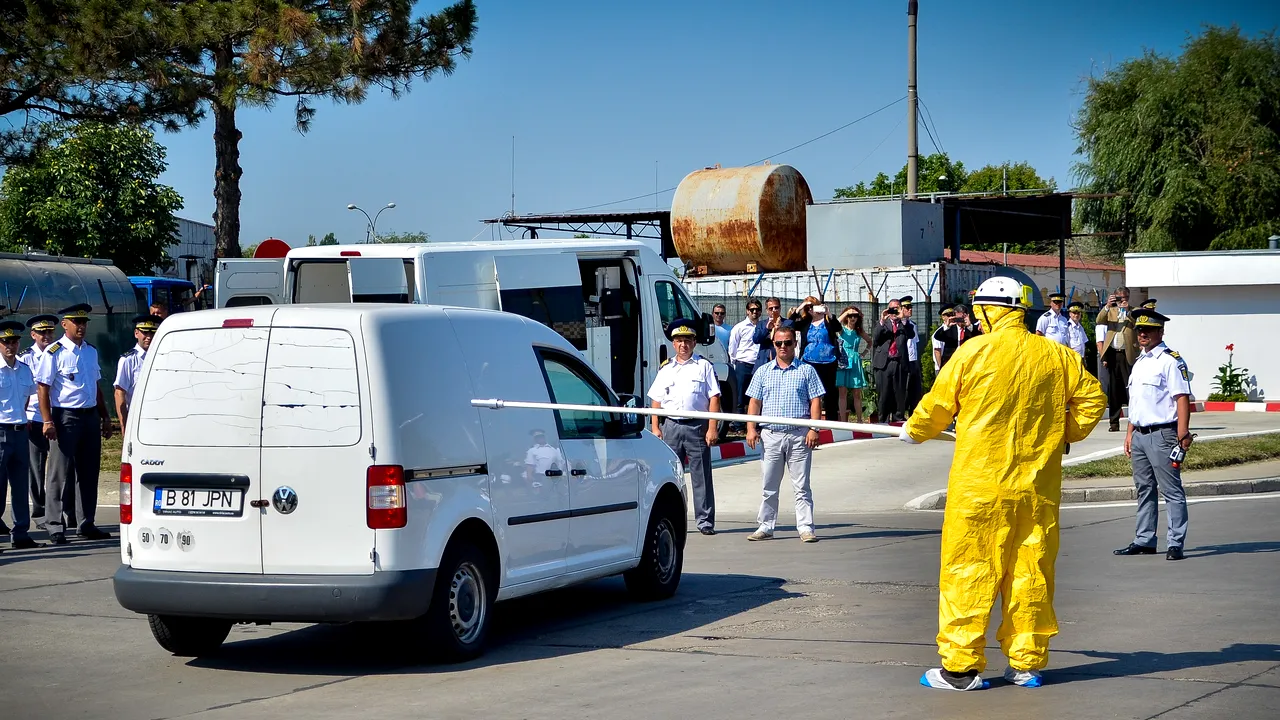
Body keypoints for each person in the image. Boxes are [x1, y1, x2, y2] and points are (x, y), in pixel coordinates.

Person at [900, 276, 1106, 691]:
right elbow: (1093, 401)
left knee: (969, 570)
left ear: (988, 311)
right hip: (1037, 489)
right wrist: (1060, 431)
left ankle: (960, 669)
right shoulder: (1057, 356)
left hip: (980, 487)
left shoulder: (973, 352)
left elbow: (937, 407)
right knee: (1031, 572)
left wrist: (913, 431)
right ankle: (1026, 664)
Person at [1113, 308, 1193, 562]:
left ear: (1160, 331)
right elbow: (1136, 401)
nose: (1143, 334)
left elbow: (1181, 398)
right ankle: (1144, 539)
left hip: (1163, 434)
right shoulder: (1140, 362)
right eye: (1140, 330)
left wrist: (1182, 433)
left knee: (1171, 490)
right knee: (1144, 488)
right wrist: (1129, 433)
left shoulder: (1170, 360)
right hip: (1139, 434)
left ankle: (1175, 543)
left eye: (1148, 330)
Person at [32, 304, 113, 545]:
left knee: (88, 472)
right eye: (76, 323)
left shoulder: (90, 351)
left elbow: (96, 386)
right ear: (64, 325)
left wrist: (105, 416)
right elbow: (43, 388)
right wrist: (47, 420)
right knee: (59, 473)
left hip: (89, 416)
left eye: (84, 322)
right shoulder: (54, 352)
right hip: (65, 416)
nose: (81, 327)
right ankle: (55, 524)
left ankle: (86, 522)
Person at [744, 324, 826, 543]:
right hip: (770, 436)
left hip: (799, 435)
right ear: (773, 344)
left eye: (787, 343)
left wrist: (813, 428)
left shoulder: (806, 370)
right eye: (779, 343)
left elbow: (815, 400)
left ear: (794, 344)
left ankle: (806, 527)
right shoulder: (763, 371)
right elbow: (754, 401)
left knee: (801, 487)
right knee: (769, 485)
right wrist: (751, 428)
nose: (783, 347)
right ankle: (766, 526)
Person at [647, 319, 721, 536]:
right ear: (673, 344)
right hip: (671, 426)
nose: (683, 345)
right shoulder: (666, 369)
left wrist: (712, 427)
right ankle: (671, 520)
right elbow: (656, 400)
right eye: (679, 341)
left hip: (697, 426)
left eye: (687, 340)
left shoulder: (704, 366)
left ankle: (705, 521)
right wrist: (655, 427)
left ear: (694, 343)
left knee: (701, 478)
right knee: (669, 477)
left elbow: (714, 398)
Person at [0, 321, 41, 549]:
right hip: (0, 430)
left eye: (14, 341)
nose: (11, 346)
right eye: (6, 342)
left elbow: (26, 398)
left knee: (20, 484)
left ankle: (21, 532)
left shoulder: (24, 369)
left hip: (19, 430)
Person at [18, 314, 58, 531]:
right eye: (42, 332)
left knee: (60, 468)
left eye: (49, 332)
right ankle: (39, 510)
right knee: (36, 468)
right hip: (34, 418)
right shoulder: (25, 357)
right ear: (33, 335)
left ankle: (58, 510)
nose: (46, 336)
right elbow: (25, 390)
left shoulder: (58, 353)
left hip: (56, 417)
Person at [790, 297, 844, 422]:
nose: (811, 310)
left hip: (828, 362)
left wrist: (828, 313)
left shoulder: (828, 322)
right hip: (809, 362)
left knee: (830, 393)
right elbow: (790, 324)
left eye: (813, 306)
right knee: (810, 393)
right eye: (809, 308)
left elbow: (837, 327)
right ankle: (810, 420)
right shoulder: (805, 323)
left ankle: (832, 422)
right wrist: (800, 307)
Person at [1096, 286, 1139, 432]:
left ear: (1128, 297)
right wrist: (1108, 306)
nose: (1122, 301)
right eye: (1119, 298)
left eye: (1124, 298)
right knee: (1114, 390)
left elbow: (1137, 324)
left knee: (1130, 388)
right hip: (1114, 353)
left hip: (1128, 353)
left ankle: (1134, 421)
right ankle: (1114, 423)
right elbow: (1099, 320)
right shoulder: (1111, 311)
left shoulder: (1134, 311)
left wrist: (1127, 311)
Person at [114, 314, 160, 435]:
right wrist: (124, 424)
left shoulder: (162, 357)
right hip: (137, 417)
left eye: (153, 333)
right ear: (136, 333)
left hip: (159, 416)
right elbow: (119, 393)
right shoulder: (128, 360)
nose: (149, 337)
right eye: (145, 332)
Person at [727, 300, 763, 431]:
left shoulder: (763, 326)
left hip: (758, 365)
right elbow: (733, 347)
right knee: (740, 396)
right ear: (747, 311)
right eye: (752, 309)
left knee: (758, 396)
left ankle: (757, 423)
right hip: (743, 364)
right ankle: (739, 425)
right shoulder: (739, 327)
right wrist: (735, 363)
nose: (755, 312)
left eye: (757, 309)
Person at [871, 300, 909, 422]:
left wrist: (903, 319)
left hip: (899, 362)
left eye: (896, 309)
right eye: (891, 309)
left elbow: (911, 334)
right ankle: (883, 420)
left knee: (899, 393)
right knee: (884, 393)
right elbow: (875, 339)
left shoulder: (905, 324)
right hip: (884, 363)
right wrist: (882, 320)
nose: (894, 312)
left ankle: (898, 419)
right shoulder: (882, 323)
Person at [837, 306, 871, 423]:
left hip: (855, 361)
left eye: (855, 316)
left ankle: (860, 420)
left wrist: (863, 353)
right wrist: (846, 312)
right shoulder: (841, 329)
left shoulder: (859, 331)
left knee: (857, 392)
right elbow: (835, 323)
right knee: (842, 392)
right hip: (843, 361)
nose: (853, 318)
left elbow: (870, 342)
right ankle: (843, 421)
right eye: (850, 316)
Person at [751, 297, 791, 370]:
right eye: (771, 308)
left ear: (780, 308)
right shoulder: (761, 324)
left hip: (781, 361)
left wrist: (779, 328)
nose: (774, 310)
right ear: (766, 310)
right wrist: (767, 329)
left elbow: (789, 338)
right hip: (763, 362)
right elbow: (756, 339)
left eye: (776, 307)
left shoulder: (788, 323)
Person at [900, 296, 923, 415]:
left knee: (915, 390)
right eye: (907, 307)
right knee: (904, 389)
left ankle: (913, 413)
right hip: (904, 360)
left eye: (910, 307)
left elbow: (915, 343)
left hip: (913, 360)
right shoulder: (899, 324)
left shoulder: (913, 324)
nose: (910, 309)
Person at [932, 305, 955, 371]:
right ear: (943, 317)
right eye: (948, 315)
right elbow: (937, 351)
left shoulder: (955, 330)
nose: (951, 317)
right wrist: (941, 368)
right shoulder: (939, 332)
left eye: (952, 314)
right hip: (943, 366)